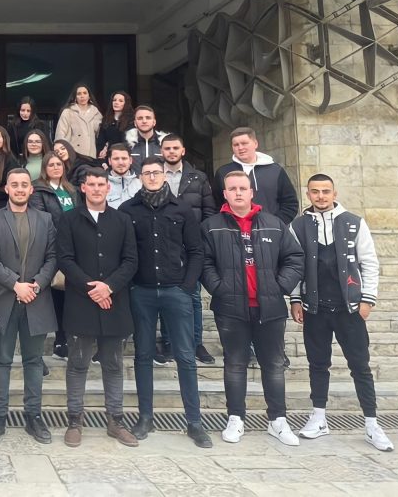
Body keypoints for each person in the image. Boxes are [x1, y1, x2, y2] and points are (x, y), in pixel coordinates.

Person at [289, 174, 393, 451]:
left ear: (334, 192)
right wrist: (296, 299)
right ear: (308, 194)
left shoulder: (354, 222)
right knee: (317, 364)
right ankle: (319, 418)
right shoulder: (297, 225)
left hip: (349, 308)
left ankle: (372, 423)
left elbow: (369, 262)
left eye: (326, 191)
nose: (321, 196)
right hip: (316, 308)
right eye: (315, 192)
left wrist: (368, 299)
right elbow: (294, 266)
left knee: (360, 366)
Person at [201, 170, 303, 446]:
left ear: (251, 192)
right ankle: (236, 418)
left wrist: (280, 286)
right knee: (234, 364)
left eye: (242, 188)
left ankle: (278, 420)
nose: (237, 193)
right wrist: (218, 287)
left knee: (273, 365)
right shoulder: (211, 226)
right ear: (224, 194)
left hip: (269, 307)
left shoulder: (274, 224)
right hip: (230, 308)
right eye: (231, 188)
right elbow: (204, 262)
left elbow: (294, 257)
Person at [119, 157, 210, 447]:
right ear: (140, 177)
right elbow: (124, 253)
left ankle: (194, 422)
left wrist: (187, 286)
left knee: (185, 356)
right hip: (142, 292)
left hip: (176, 292)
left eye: (157, 173)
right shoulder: (128, 210)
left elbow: (196, 251)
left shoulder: (182, 209)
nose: (152, 177)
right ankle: (145, 417)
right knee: (143, 355)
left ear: (165, 175)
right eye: (147, 173)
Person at [56, 167, 139, 449]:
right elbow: (65, 260)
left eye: (101, 184)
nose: (96, 189)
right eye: (91, 184)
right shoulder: (68, 220)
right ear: (83, 188)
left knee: (114, 365)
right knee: (77, 364)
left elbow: (130, 260)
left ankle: (115, 421)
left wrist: (109, 287)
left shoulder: (122, 220)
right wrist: (92, 288)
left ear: (108, 188)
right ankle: (74, 421)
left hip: (115, 302)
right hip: (81, 302)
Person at [0, 169, 58, 445]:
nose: (20, 189)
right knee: (1, 360)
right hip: (4, 299)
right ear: (7, 189)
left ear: (31, 189)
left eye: (24, 185)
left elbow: (52, 257)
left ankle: (33, 416)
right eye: (14, 185)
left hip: (36, 300)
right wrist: (16, 284)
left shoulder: (46, 219)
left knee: (34, 361)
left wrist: (36, 284)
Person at [161, 133, 217, 365]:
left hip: (191, 247)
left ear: (183, 151)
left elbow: (209, 211)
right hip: (163, 246)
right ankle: (167, 342)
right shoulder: (154, 175)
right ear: (161, 151)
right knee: (164, 295)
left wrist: (199, 239)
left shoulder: (198, 177)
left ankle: (196, 343)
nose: (171, 152)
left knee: (192, 296)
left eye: (175, 148)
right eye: (167, 148)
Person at [29, 151, 79, 359]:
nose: (56, 168)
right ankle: (59, 341)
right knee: (57, 295)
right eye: (51, 165)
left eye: (59, 164)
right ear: (45, 169)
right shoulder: (39, 190)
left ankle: (68, 337)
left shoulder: (72, 190)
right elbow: (42, 220)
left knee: (70, 295)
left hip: (73, 249)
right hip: (52, 248)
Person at [213, 126, 299, 224]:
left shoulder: (276, 170)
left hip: (270, 232)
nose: (240, 148)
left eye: (244, 143)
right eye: (236, 145)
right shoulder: (223, 172)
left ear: (255, 144)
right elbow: (216, 205)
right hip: (232, 231)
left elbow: (290, 204)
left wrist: (274, 225)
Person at [55, 83, 102, 162]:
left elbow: (101, 136)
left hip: (91, 156)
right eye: (79, 94)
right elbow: (60, 135)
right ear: (75, 97)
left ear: (89, 96)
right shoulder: (68, 112)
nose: (82, 96)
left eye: (85, 93)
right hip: (73, 155)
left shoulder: (96, 113)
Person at [125, 106, 168, 171]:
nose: (144, 121)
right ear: (135, 123)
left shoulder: (166, 144)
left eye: (148, 118)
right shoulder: (127, 144)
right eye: (140, 118)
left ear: (154, 122)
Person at [96, 90, 134, 161]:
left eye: (120, 101)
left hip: (124, 157)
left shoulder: (131, 121)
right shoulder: (106, 120)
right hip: (108, 158)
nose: (116, 102)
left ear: (126, 103)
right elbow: (100, 142)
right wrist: (102, 151)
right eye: (114, 100)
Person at [106, 143, 141, 209]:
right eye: (116, 159)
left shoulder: (140, 184)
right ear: (109, 161)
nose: (120, 162)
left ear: (130, 160)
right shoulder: (101, 184)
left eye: (124, 158)